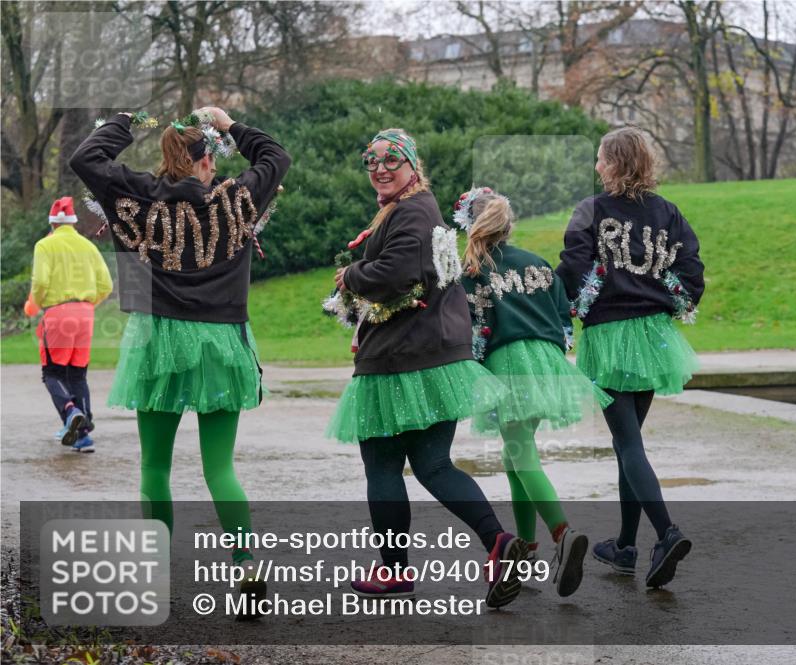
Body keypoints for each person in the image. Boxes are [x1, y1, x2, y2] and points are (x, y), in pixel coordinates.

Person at [69, 107, 290, 601]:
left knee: (154, 467)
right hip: (221, 339)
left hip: (158, 341)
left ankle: (157, 568)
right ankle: (245, 561)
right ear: (207, 159)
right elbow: (276, 156)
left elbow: (86, 157)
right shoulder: (236, 199)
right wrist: (231, 123)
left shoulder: (137, 196)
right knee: (220, 468)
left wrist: (125, 121)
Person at [327, 129, 530, 609]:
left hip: (403, 358)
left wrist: (350, 276)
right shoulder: (416, 208)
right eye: (371, 161)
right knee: (433, 464)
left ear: (412, 167)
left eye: (390, 161)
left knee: (381, 463)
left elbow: (399, 273)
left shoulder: (414, 211)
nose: (379, 169)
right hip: (432, 353)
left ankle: (395, 572)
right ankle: (499, 544)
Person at [556, 127, 703, 589]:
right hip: (656, 336)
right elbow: (691, 269)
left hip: (610, 334)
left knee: (627, 444)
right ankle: (625, 546)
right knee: (629, 442)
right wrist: (673, 298)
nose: (597, 167)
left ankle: (667, 532)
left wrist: (566, 306)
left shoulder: (592, 210)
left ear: (616, 162)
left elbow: (573, 266)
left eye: (601, 159)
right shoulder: (668, 212)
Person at [457, 186, 612, 597]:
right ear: (508, 224)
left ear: (469, 224)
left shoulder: (470, 270)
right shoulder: (538, 263)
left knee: (522, 455)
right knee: (515, 457)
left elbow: (471, 329)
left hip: (509, 363)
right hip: (548, 363)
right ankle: (525, 549)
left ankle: (563, 534)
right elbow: (563, 316)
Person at [26, 196, 113, 453]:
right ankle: (83, 433)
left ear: (52, 223)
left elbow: (41, 283)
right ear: (73, 222)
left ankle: (70, 411)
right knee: (77, 373)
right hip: (86, 314)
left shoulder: (45, 245)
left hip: (57, 313)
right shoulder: (87, 246)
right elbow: (106, 285)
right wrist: (88, 305)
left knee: (52, 373)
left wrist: (33, 305)